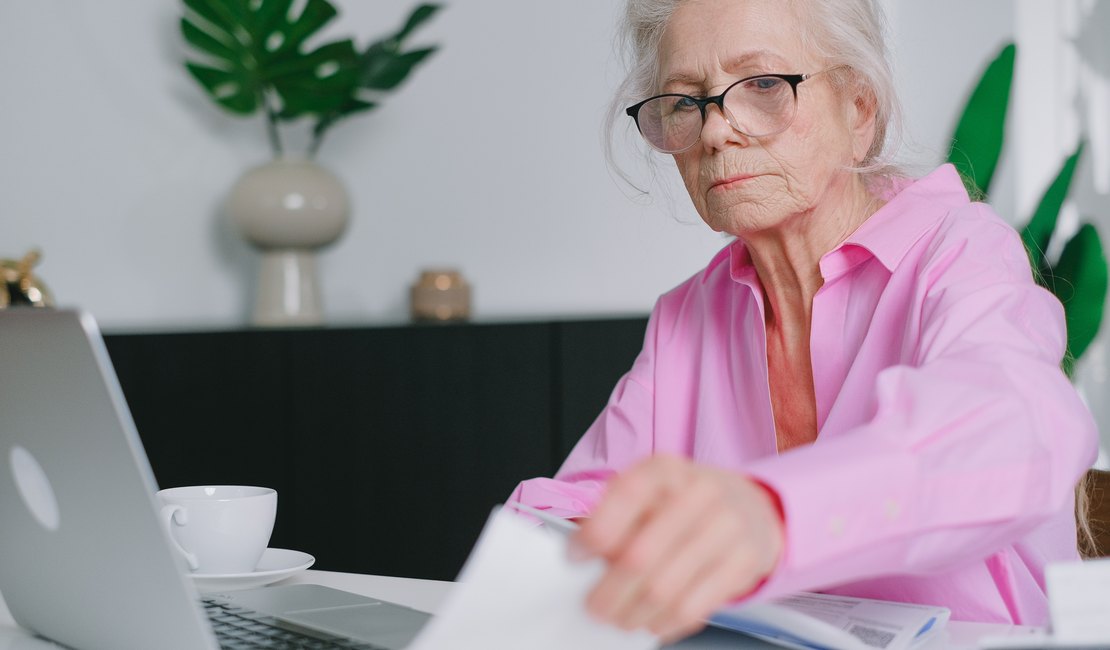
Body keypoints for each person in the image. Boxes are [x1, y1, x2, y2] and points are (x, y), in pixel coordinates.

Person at [508, 0, 1100, 643]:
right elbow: (573, 515)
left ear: (859, 110)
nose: (713, 131)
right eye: (684, 100)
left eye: (763, 85)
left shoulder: (959, 252)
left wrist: (774, 515)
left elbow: (1018, 426)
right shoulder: (688, 314)